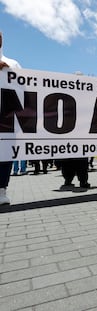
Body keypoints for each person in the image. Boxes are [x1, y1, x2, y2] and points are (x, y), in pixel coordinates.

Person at [0, 31, 21, 205]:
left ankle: (1, 190)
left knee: (5, 155)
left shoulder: (12, 64)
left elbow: (25, 89)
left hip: (7, 117)